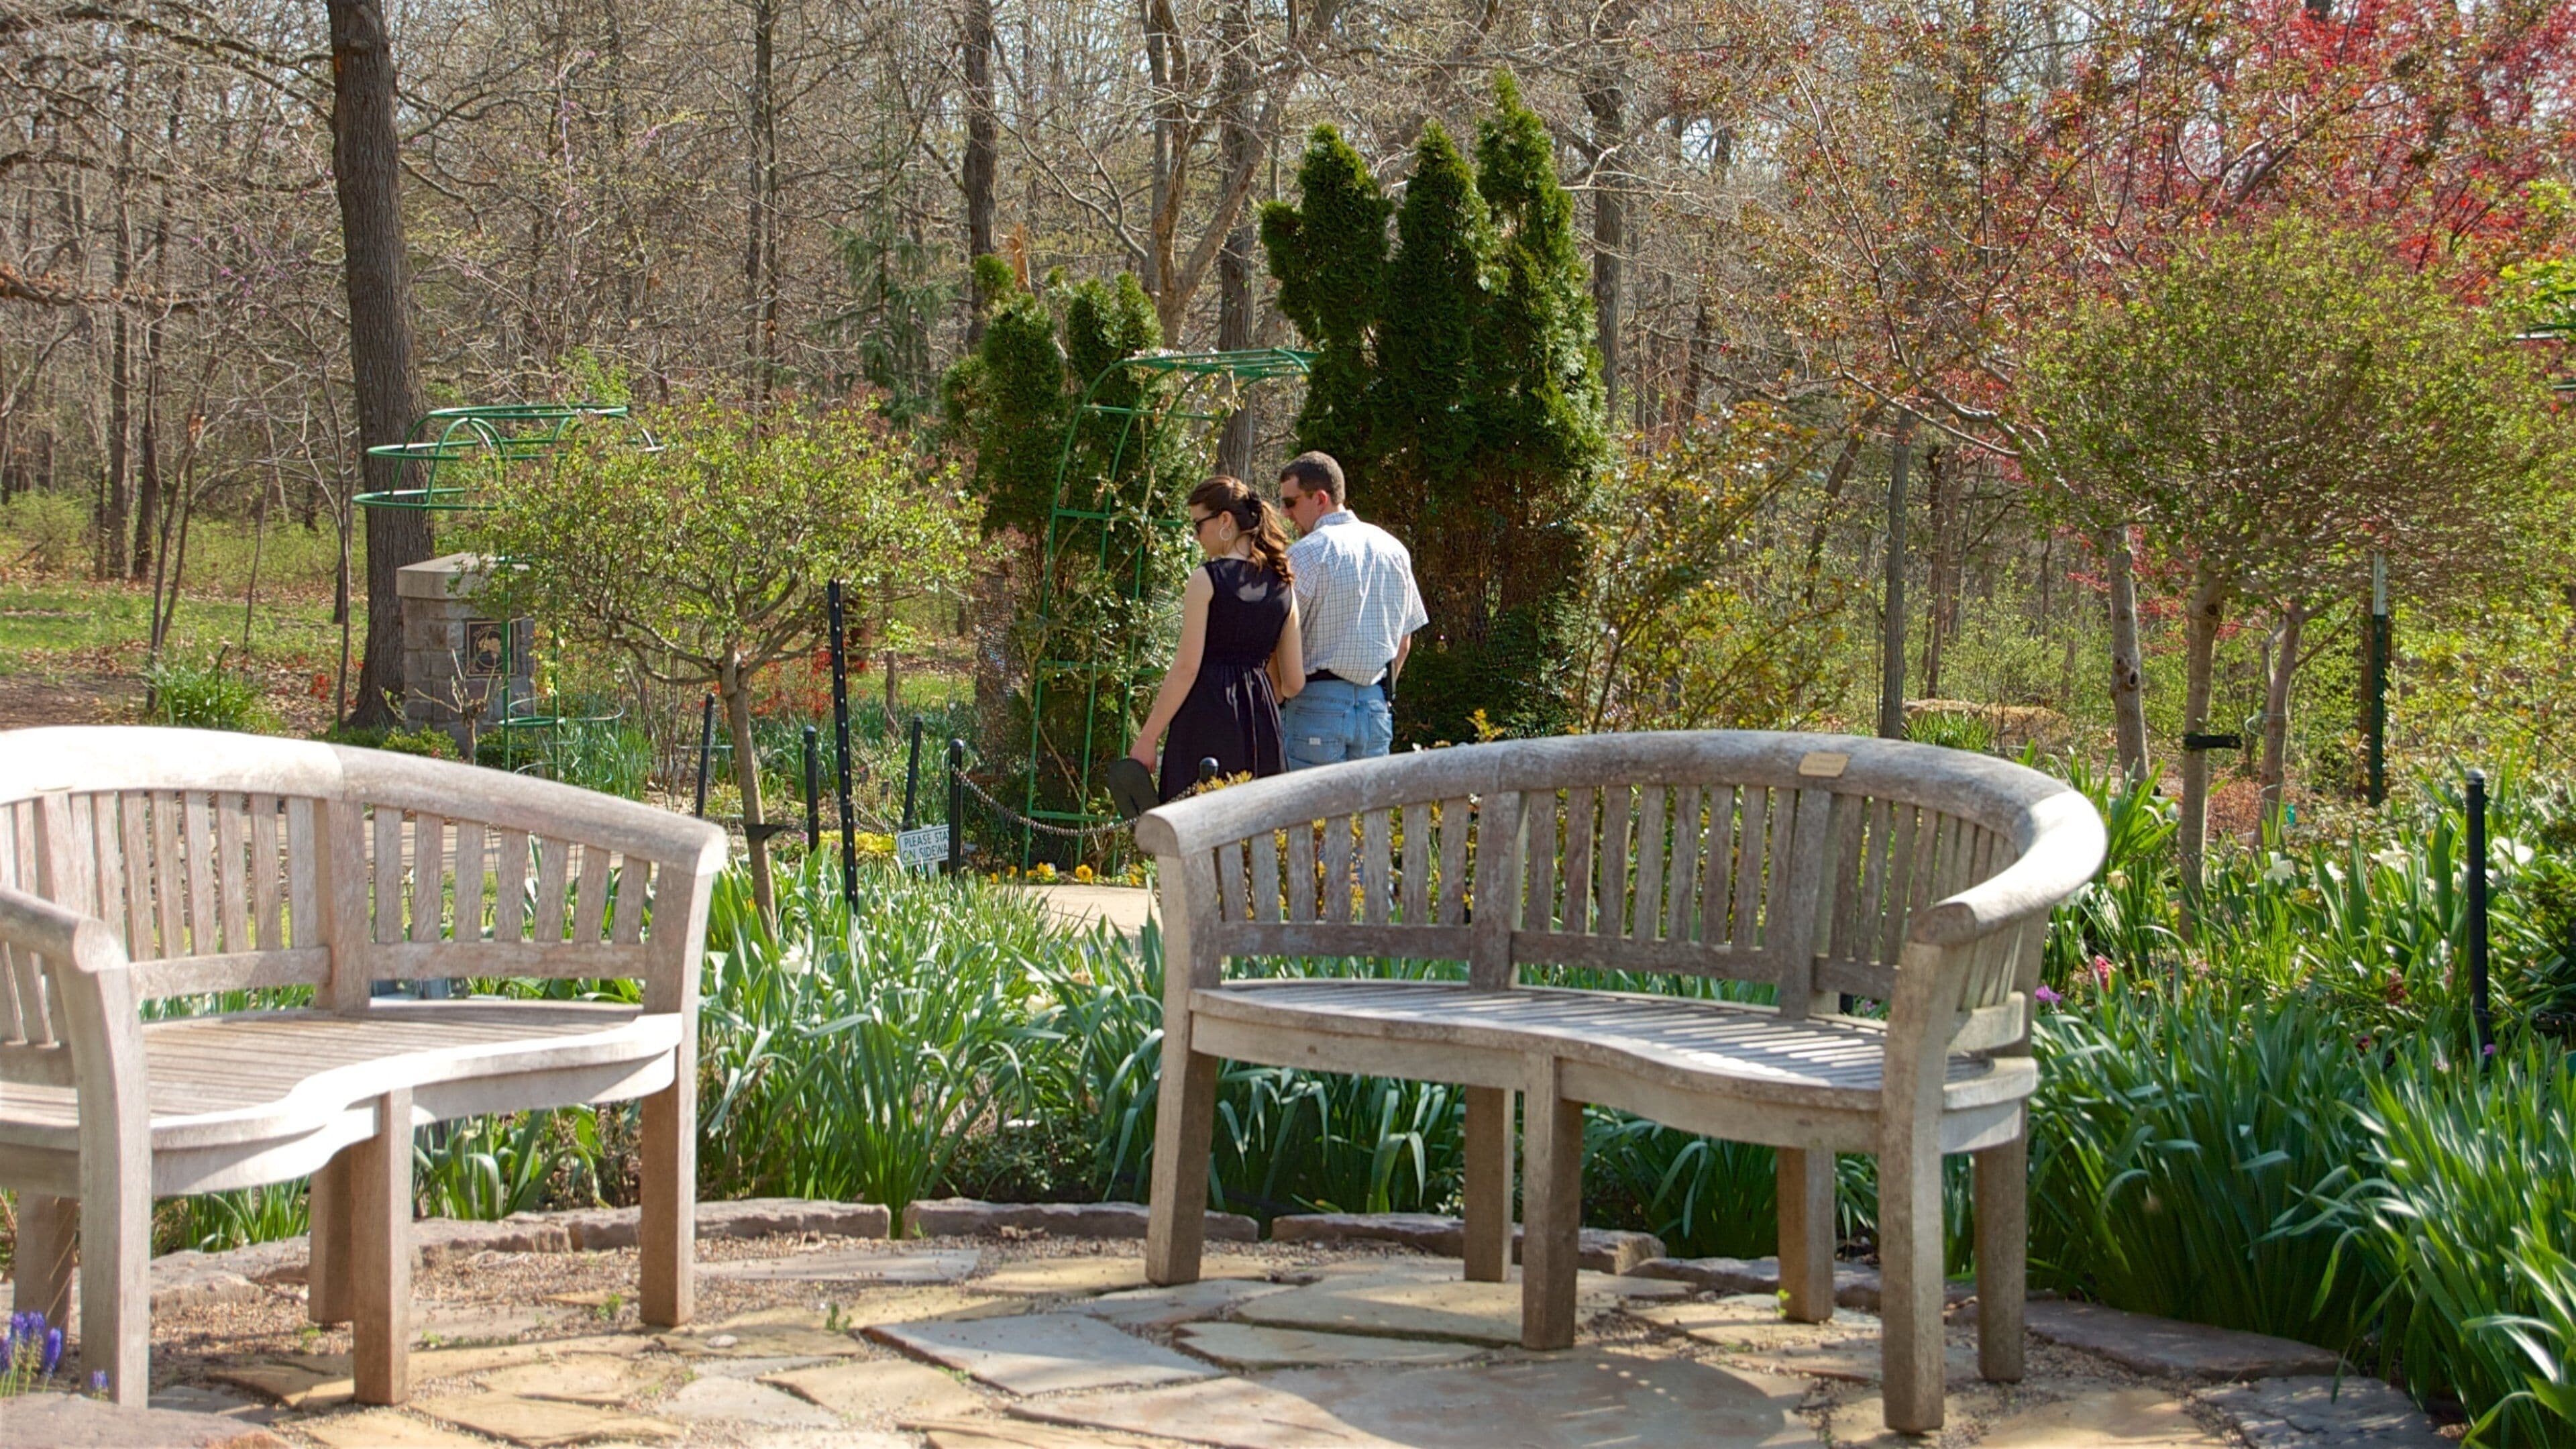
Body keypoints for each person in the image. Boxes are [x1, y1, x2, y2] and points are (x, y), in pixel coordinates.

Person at [1128, 476, 1305, 802]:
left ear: (1225, 520)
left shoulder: (1206, 580)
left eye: (1199, 525)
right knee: (1255, 836)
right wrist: (1257, 688)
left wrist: (1148, 738)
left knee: (1195, 833)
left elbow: (1185, 669)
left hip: (1205, 716)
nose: (1197, 536)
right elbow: (1294, 682)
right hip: (1260, 725)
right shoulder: (1284, 586)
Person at [1275, 451, 1427, 770]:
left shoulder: (1304, 555)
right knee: (1365, 816)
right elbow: (1404, 643)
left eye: (1290, 503)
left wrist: (1277, 698)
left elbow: (1277, 639)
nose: (1284, 514)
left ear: (1320, 498)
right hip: (1375, 709)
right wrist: (1380, 697)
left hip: (1314, 704)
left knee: (1308, 814)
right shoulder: (1394, 550)